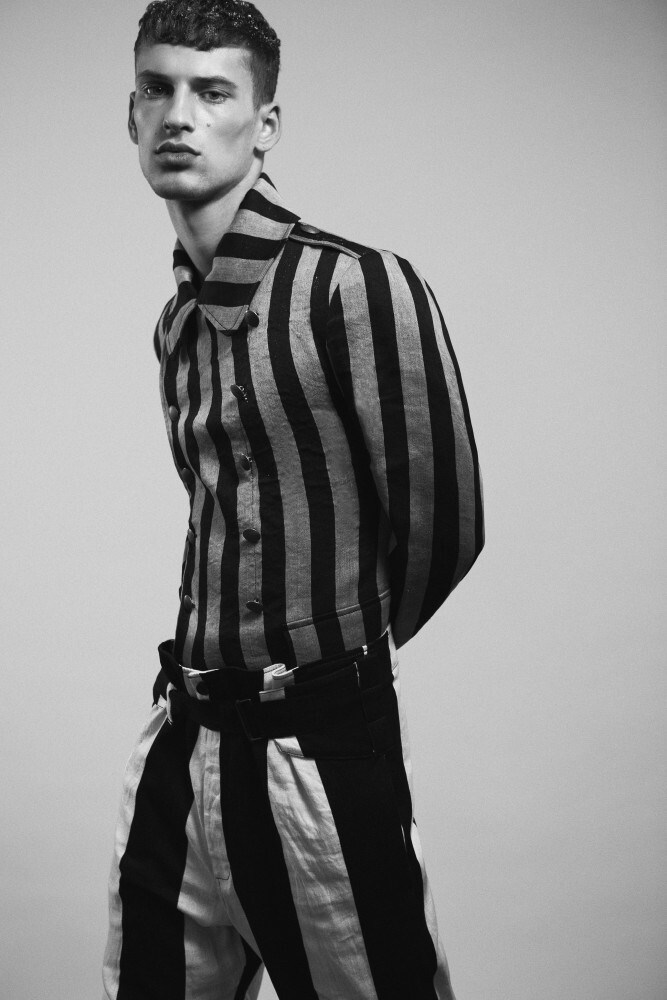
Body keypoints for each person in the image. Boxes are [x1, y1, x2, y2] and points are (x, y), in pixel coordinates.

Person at [103, 1, 484, 997]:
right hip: (184, 730)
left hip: (314, 740)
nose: (178, 115)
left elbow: (446, 525)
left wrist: (324, 666)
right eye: (157, 89)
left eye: (212, 92)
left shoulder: (355, 287)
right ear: (131, 113)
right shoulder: (175, 324)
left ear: (263, 123)